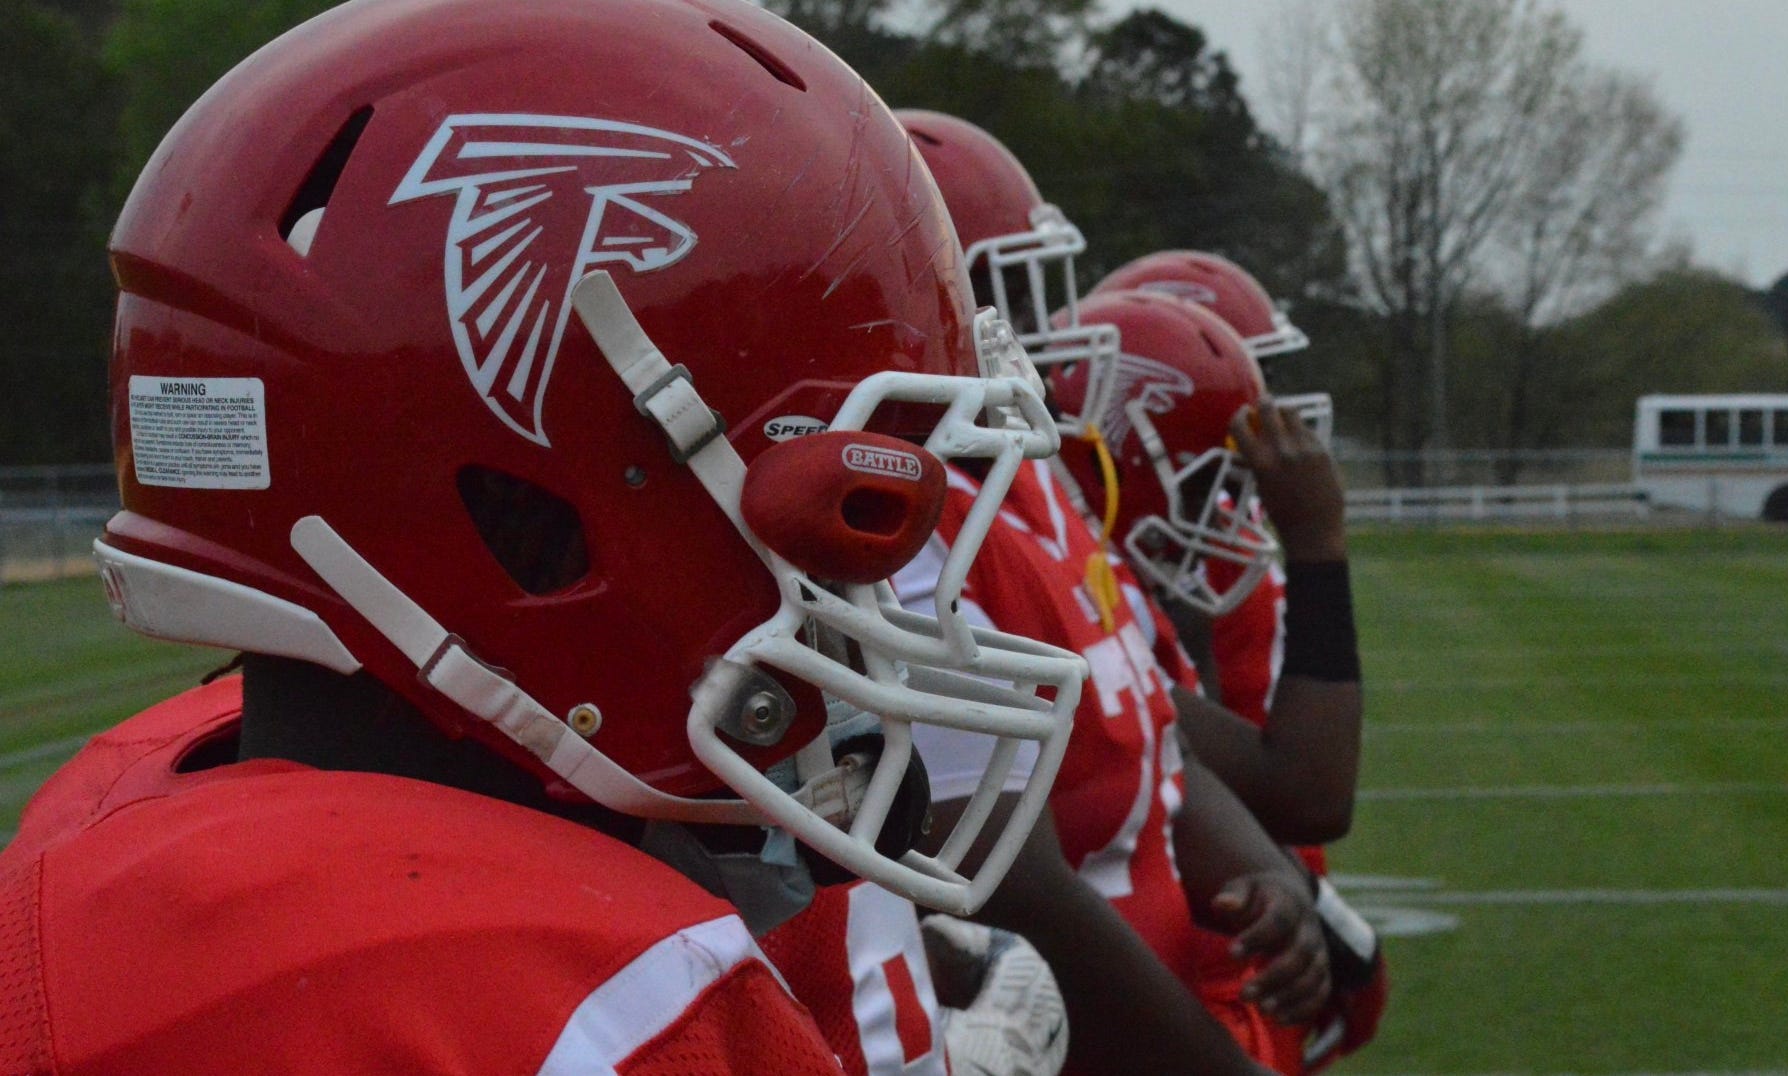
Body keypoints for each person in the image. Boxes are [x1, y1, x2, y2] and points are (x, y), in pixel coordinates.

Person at [0, 1, 1089, 1070]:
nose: (880, 601)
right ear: (546, 508)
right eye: (851, 513)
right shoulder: (584, 1020)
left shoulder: (127, 816)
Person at [896, 109, 1331, 1076]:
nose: (1045, 333)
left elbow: (1154, 731)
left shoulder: (1036, 481)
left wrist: (1264, 872)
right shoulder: (910, 519)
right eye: (1007, 290)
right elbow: (1018, 889)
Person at [1063, 277, 1384, 1070]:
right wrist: (1317, 549)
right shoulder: (1050, 592)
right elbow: (1309, 789)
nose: (1237, 508)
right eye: (1215, 480)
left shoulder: (1113, 594)